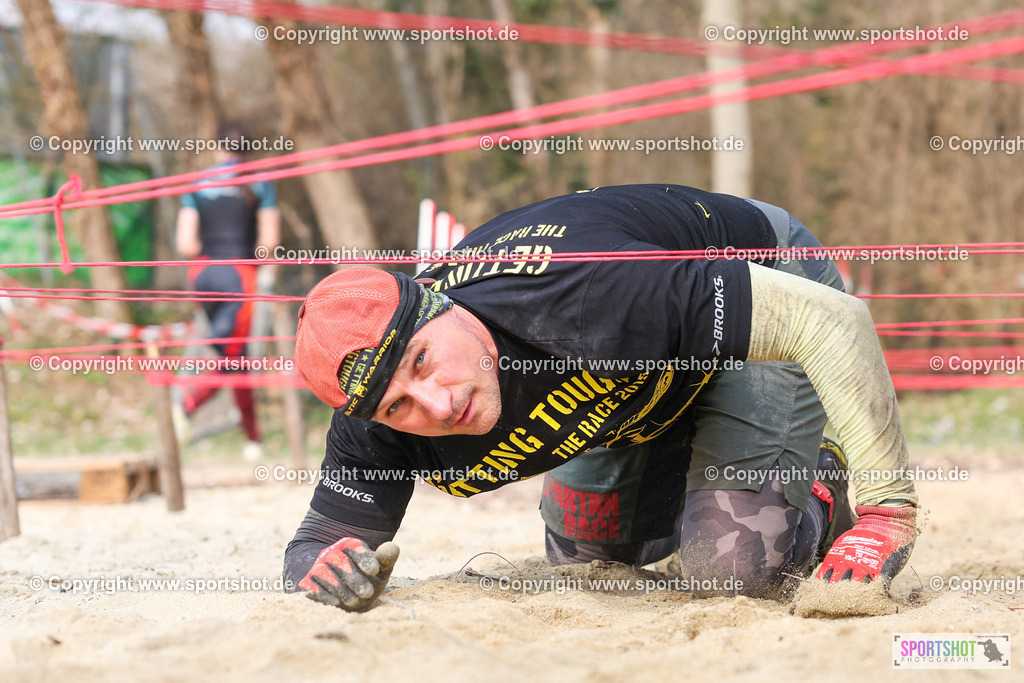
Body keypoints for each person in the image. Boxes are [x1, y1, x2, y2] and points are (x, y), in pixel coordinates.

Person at [284, 184, 918, 611]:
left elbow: (833, 322)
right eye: (399, 405)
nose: (439, 405)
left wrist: (888, 511)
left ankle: (818, 486)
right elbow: (315, 544)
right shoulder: (373, 421)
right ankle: (706, 463)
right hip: (633, 375)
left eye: (424, 360)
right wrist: (328, 571)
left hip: (765, 282)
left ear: (442, 305)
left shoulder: (584, 290)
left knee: (731, 572)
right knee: (594, 565)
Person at [174, 121, 280, 460]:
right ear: (247, 149)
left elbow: (185, 243)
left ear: (218, 148)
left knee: (235, 358)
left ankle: (253, 437)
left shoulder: (196, 182)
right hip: (238, 276)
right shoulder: (259, 182)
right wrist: (259, 266)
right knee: (232, 358)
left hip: (203, 275)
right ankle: (186, 407)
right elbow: (269, 242)